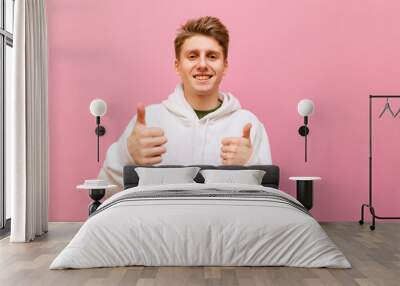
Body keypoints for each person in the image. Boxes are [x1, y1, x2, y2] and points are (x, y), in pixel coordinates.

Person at [98, 16, 272, 196]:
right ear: (177, 65)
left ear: (225, 65)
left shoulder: (247, 124)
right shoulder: (149, 121)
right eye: (192, 56)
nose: (202, 65)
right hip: (160, 223)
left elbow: (268, 198)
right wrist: (127, 154)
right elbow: (104, 190)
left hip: (226, 223)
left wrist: (249, 164)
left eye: (212, 56)